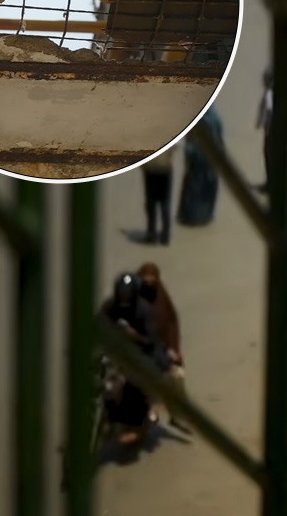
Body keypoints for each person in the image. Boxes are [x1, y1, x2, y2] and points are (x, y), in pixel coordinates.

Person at [100, 272, 170, 445]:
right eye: (121, 295)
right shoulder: (110, 306)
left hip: (141, 354)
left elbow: (151, 341)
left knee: (135, 385)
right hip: (116, 352)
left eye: (127, 296)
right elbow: (97, 325)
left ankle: (137, 421)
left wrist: (134, 335)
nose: (124, 299)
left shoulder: (144, 310)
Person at [137, 262, 191, 433]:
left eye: (153, 282)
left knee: (176, 374)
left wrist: (173, 348)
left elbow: (172, 320)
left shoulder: (161, 294)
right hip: (136, 346)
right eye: (146, 282)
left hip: (160, 346)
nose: (149, 286)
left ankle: (177, 416)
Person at [177, 106, 224, 226]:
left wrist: (189, 152)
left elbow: (190, 143)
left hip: (199, 160)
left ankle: (193, 218)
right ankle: (205, 217)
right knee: (206, 189)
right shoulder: (215, 120)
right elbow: (220, 143)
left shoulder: (200, 121)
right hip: (211, 162)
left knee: (195, 189)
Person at [141, 144, 175, 245]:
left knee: (151, 203)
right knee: (165, 203)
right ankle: (165, 236)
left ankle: (152, 235)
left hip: (151, 168)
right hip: (165, 168)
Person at [255, 66, 274, 192]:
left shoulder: (268, 94)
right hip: (273, 131)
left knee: (269, 155)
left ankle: (271, 184)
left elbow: (268, 110)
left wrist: (263, 124)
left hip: (270, 131)